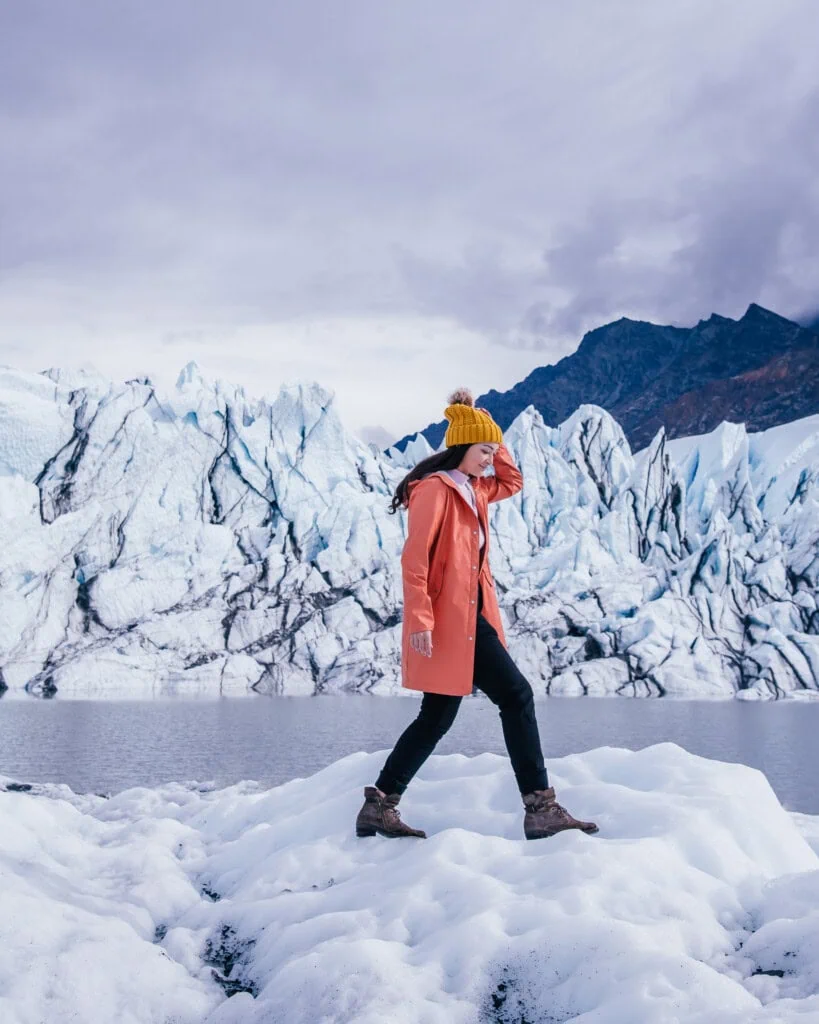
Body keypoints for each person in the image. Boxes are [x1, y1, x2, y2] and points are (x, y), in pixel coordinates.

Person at [355, 388, 599, 841]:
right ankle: (540, 808)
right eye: (483, 450)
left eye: (492, 450)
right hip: (450, 622)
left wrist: (482, 424)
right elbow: (416, 560)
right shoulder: (434, 490)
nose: (491, 458)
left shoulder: (476, 489)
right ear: (463, 448)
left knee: (437, 716)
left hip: (474, 617)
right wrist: (422, 621)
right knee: (516, 695)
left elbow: (514, 481)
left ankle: (379, 805)